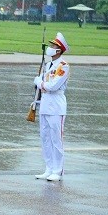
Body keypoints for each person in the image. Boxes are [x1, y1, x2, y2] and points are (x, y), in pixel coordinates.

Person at [34, 32, 70, 182]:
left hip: (56, 105)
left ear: (59, 49)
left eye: (53, 46)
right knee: (45, 138)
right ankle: (49, 168)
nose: (49, 48)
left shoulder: (63, 66)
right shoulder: (47, 65)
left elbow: (53, 86)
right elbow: (44, 87)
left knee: (56, 139)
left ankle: (58, 170)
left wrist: (40, 83)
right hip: (45, 104)